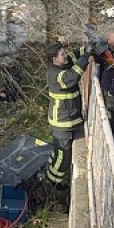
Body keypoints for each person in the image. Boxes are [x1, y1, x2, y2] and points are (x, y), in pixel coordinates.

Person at [44, 43, 89, 187]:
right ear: (54, 59)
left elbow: (74, 54)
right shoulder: (56, 74)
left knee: (59, 152)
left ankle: (51, 175)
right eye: (62, 54)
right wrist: (87, 56)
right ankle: (52, 184)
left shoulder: (61, 64)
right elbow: (73, 76)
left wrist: (87, 48)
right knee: (63, 157)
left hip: (69, 119)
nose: (65, 56)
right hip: (62, 122)